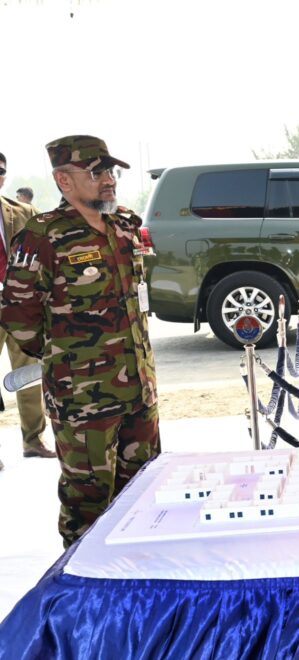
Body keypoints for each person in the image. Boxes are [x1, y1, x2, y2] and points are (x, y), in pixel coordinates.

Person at [0, 136, 160, 548]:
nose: (109, 180)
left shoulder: (124, 224)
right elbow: (19, 319)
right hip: (84, 401)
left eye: (111, 171)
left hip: (140, 393)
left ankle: (139, 592)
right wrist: (68, 360)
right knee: (87, 508)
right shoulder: (43, 236)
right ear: (64, 181)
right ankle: (82, 599)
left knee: (145, 499)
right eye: (97, 172)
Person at [0, 152, 52, 472]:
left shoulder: (23, 212)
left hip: (20, 307)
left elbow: (45, 258)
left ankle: (33, 440)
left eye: (1, 171)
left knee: (29, 375)